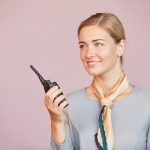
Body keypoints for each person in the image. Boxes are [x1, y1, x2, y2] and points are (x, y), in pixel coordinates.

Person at [44, 13, 150, 150]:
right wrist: (56, 121)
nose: (88, 53)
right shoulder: (67, 104)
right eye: (83, 46)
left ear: (120, 47)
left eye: (98, 44)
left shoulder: (147, 104)